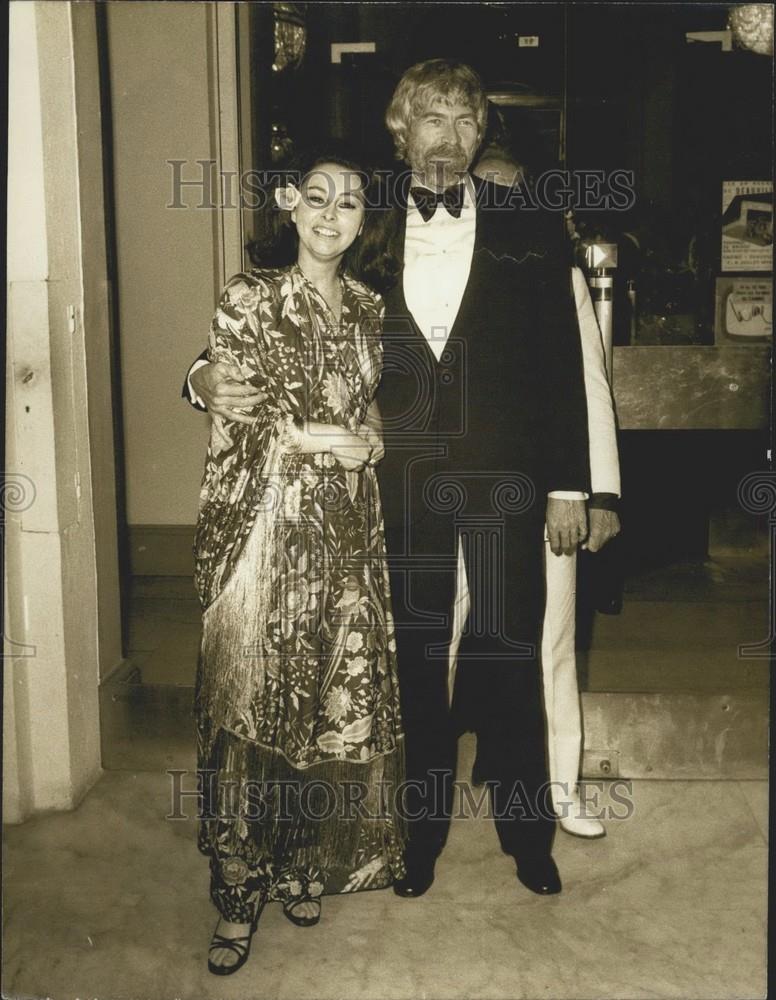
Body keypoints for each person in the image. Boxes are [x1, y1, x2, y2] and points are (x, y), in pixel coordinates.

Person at [187, 59, 590, 902]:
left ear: (483, 137)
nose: (450, 138)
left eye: (466, 122)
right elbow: (277, 297)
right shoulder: (360, 223)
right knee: (409, 668)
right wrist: (198, 376)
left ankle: (528, 835)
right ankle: (416, 841)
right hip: (393, 482)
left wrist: (571, 486)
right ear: (400, 132)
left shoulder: (529, 220)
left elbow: (562, 361)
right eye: (432, 120)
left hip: (508, 478)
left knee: (512, 657)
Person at [190, 149, 405, 976]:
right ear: (290, 205)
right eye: (317, 198)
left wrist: (372, 434)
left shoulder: (365, 307)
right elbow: (228, 401)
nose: (331, 214)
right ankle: (239, 893)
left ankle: (301, 862)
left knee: (325, 698)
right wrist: (208, 384)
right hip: (265, 529)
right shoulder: (249, 295)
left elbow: (363, 403)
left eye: (349, 203)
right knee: (252, 705)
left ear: (362, 219)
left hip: (346, 534)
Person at [471, 145, 622, 837]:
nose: (498, 203)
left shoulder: (553, 270)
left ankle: (561, 790)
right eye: (485, 189)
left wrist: (601, 495)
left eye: (510, 191)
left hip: (543, 499)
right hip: (450, 495)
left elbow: (590, 385)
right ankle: (415, 801)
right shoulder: (429, 264)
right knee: (431, 641)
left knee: (549, 643)